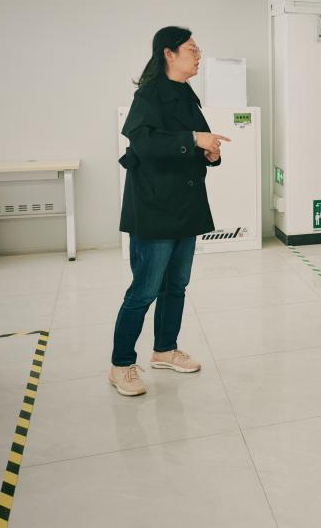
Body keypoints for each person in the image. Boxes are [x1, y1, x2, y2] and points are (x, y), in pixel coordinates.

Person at [109, 26, 229, 396]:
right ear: (168, 53)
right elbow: (143, 143)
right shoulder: (149, 94)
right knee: (144, 290)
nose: (198, 54)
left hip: (185, 205)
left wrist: (211, 153)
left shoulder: (185, 93)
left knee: (176, 285)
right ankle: (121, 365)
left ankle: (164, 350)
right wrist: (192, 139)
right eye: (192, 48)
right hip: (154, 207)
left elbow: (199, 141)